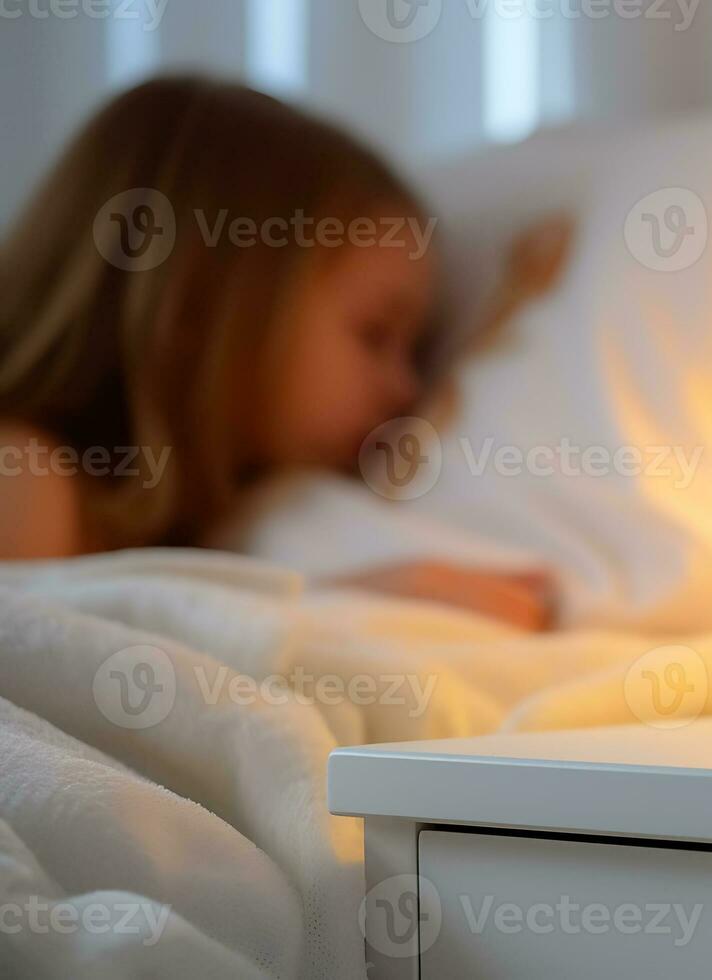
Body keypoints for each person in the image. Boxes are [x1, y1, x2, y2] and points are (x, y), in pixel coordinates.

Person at [0, 76, 560, 629]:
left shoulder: (204, 511)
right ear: (202, 302)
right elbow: (60, 661)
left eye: (414, 349)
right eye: (374, 334)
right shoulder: (28, 478)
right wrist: (340, 606)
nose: (407, 388)